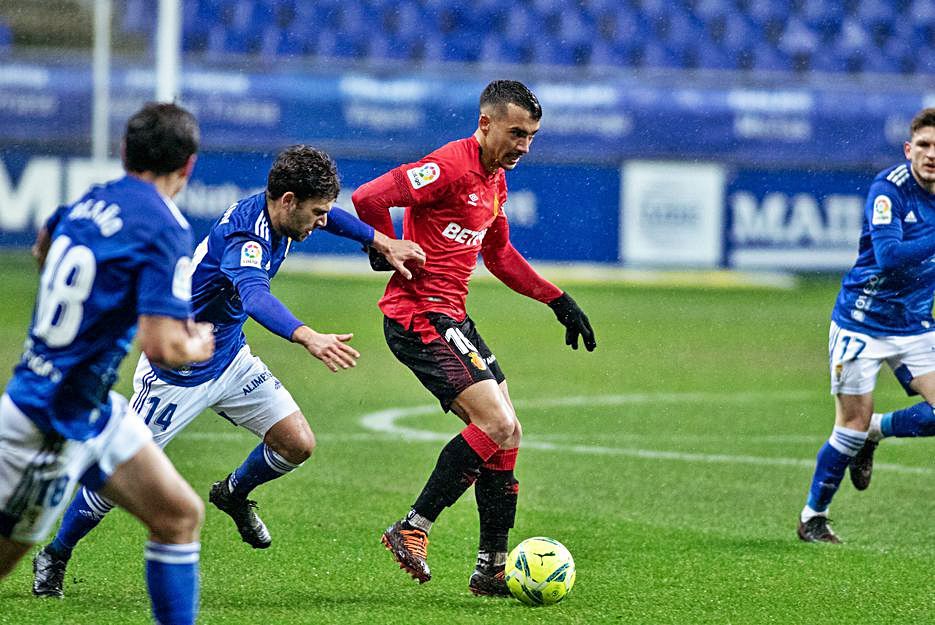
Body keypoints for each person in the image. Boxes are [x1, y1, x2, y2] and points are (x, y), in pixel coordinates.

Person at [31, 145, 426, 597]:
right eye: (316, 212)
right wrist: (307, 336)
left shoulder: (284, 210)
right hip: (175, 372)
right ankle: (54, 555)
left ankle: (233, 493)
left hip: (230, 359)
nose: (322, 222)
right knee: (115, 478)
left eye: (325, 212)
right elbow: (255, 296)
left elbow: (331, 217)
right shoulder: (248, 239)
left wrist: (378, 240)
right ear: (288, 201)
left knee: (297, 444)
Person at [352, 79, 596, 595]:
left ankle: (490, 568)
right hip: (417, 316)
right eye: (516, 133)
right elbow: (369, 196)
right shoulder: (450, 165)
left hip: (452, 318)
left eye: (531, 136)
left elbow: (500, 256)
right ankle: (413, 527)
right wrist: (385, 247)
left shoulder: (494, 178)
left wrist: (557, 300)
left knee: (510, 433)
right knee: (495, 419)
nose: (524, 146)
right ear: (486, 124)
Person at [0, 103, 214, 625]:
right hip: (50, 424)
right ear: (187, 166)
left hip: (91, 407)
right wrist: (197, 345)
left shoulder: (91, 200)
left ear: (124, 153)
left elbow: (45, 244)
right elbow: (162, 346)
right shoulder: (166, 227)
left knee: (178, 515)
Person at [798, 107, 935, 543]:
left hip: (913, 322)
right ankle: (813, 517)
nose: (932, 155)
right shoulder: (888, 190)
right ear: (908, 149)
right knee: (849, 424)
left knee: (870, 426)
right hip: (862, 321)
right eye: (925, 146)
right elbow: (891, 257)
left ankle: (879, 430)